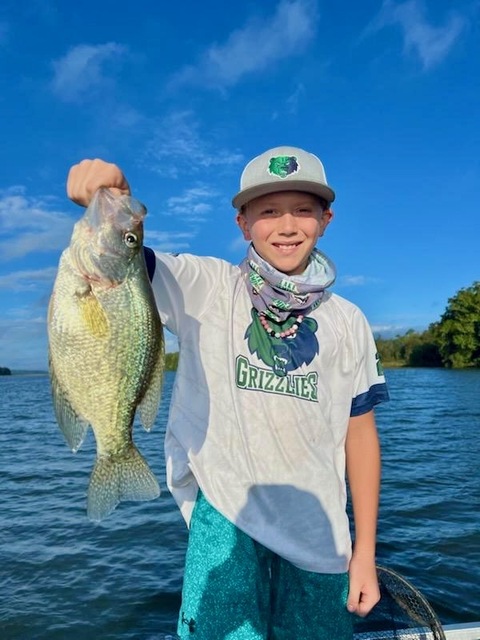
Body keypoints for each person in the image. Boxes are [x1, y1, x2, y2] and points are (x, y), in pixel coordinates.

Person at [67, 145, 389, 640]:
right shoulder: (209, 288)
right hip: (224, 521)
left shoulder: (348, 321)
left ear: (326, 219)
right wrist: (113, 198)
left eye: (303, 210)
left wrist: (364, 551)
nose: (286, 225)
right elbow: (124, 264)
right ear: (242, 222)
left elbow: (360, 435)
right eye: (267, 211)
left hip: (321, 534)